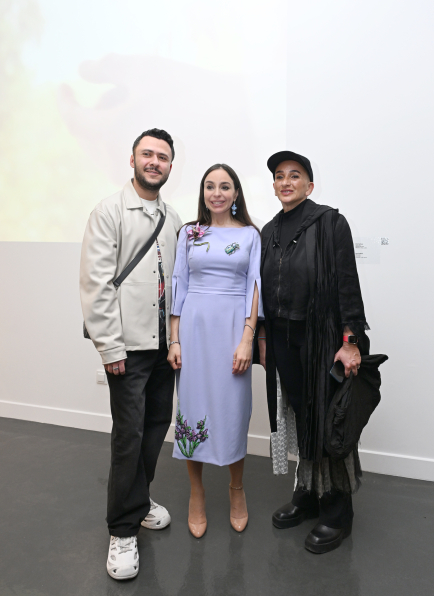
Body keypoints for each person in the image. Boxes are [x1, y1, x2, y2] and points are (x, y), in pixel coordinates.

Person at [80, 128, 182, 580]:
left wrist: (177, 340)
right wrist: (109, 346)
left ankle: (138, 501)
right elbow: (96, 283)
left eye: (162, 156)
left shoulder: (173, 218)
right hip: (127, 348)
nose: (154, 162)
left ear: (170, 165)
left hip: (163, 348)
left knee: (156, 426)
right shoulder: (108, 211)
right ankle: (122, 529)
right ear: (133, 159)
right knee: (129, 435)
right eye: (147, 154)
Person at [258, 150, 369, 554]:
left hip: (321, 339)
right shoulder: (268, 230)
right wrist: (264, 340)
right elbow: (261, 291)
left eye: (295, 175)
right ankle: (307, 493)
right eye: (279, 176)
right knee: (300, 418)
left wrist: (350, 342)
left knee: (326, 421)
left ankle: (338, 512)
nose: (286, 182)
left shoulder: (330, 222)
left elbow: (347, 284)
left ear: (309, 185)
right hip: (283, 340)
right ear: (274, 186)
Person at [167, 164, 262, 538]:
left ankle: (237, 489)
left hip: (232, 329)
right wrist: (175, 339)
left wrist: (247, 338)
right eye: (210, 186)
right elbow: (179, 284)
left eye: (225, 186)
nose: (217, 193)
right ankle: (197, 492)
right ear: (203, 192)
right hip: (194, 330)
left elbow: (254, 286)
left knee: (232, 409)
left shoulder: (251, 235)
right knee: (193, 408)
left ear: (236, 193)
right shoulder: (189, 233)